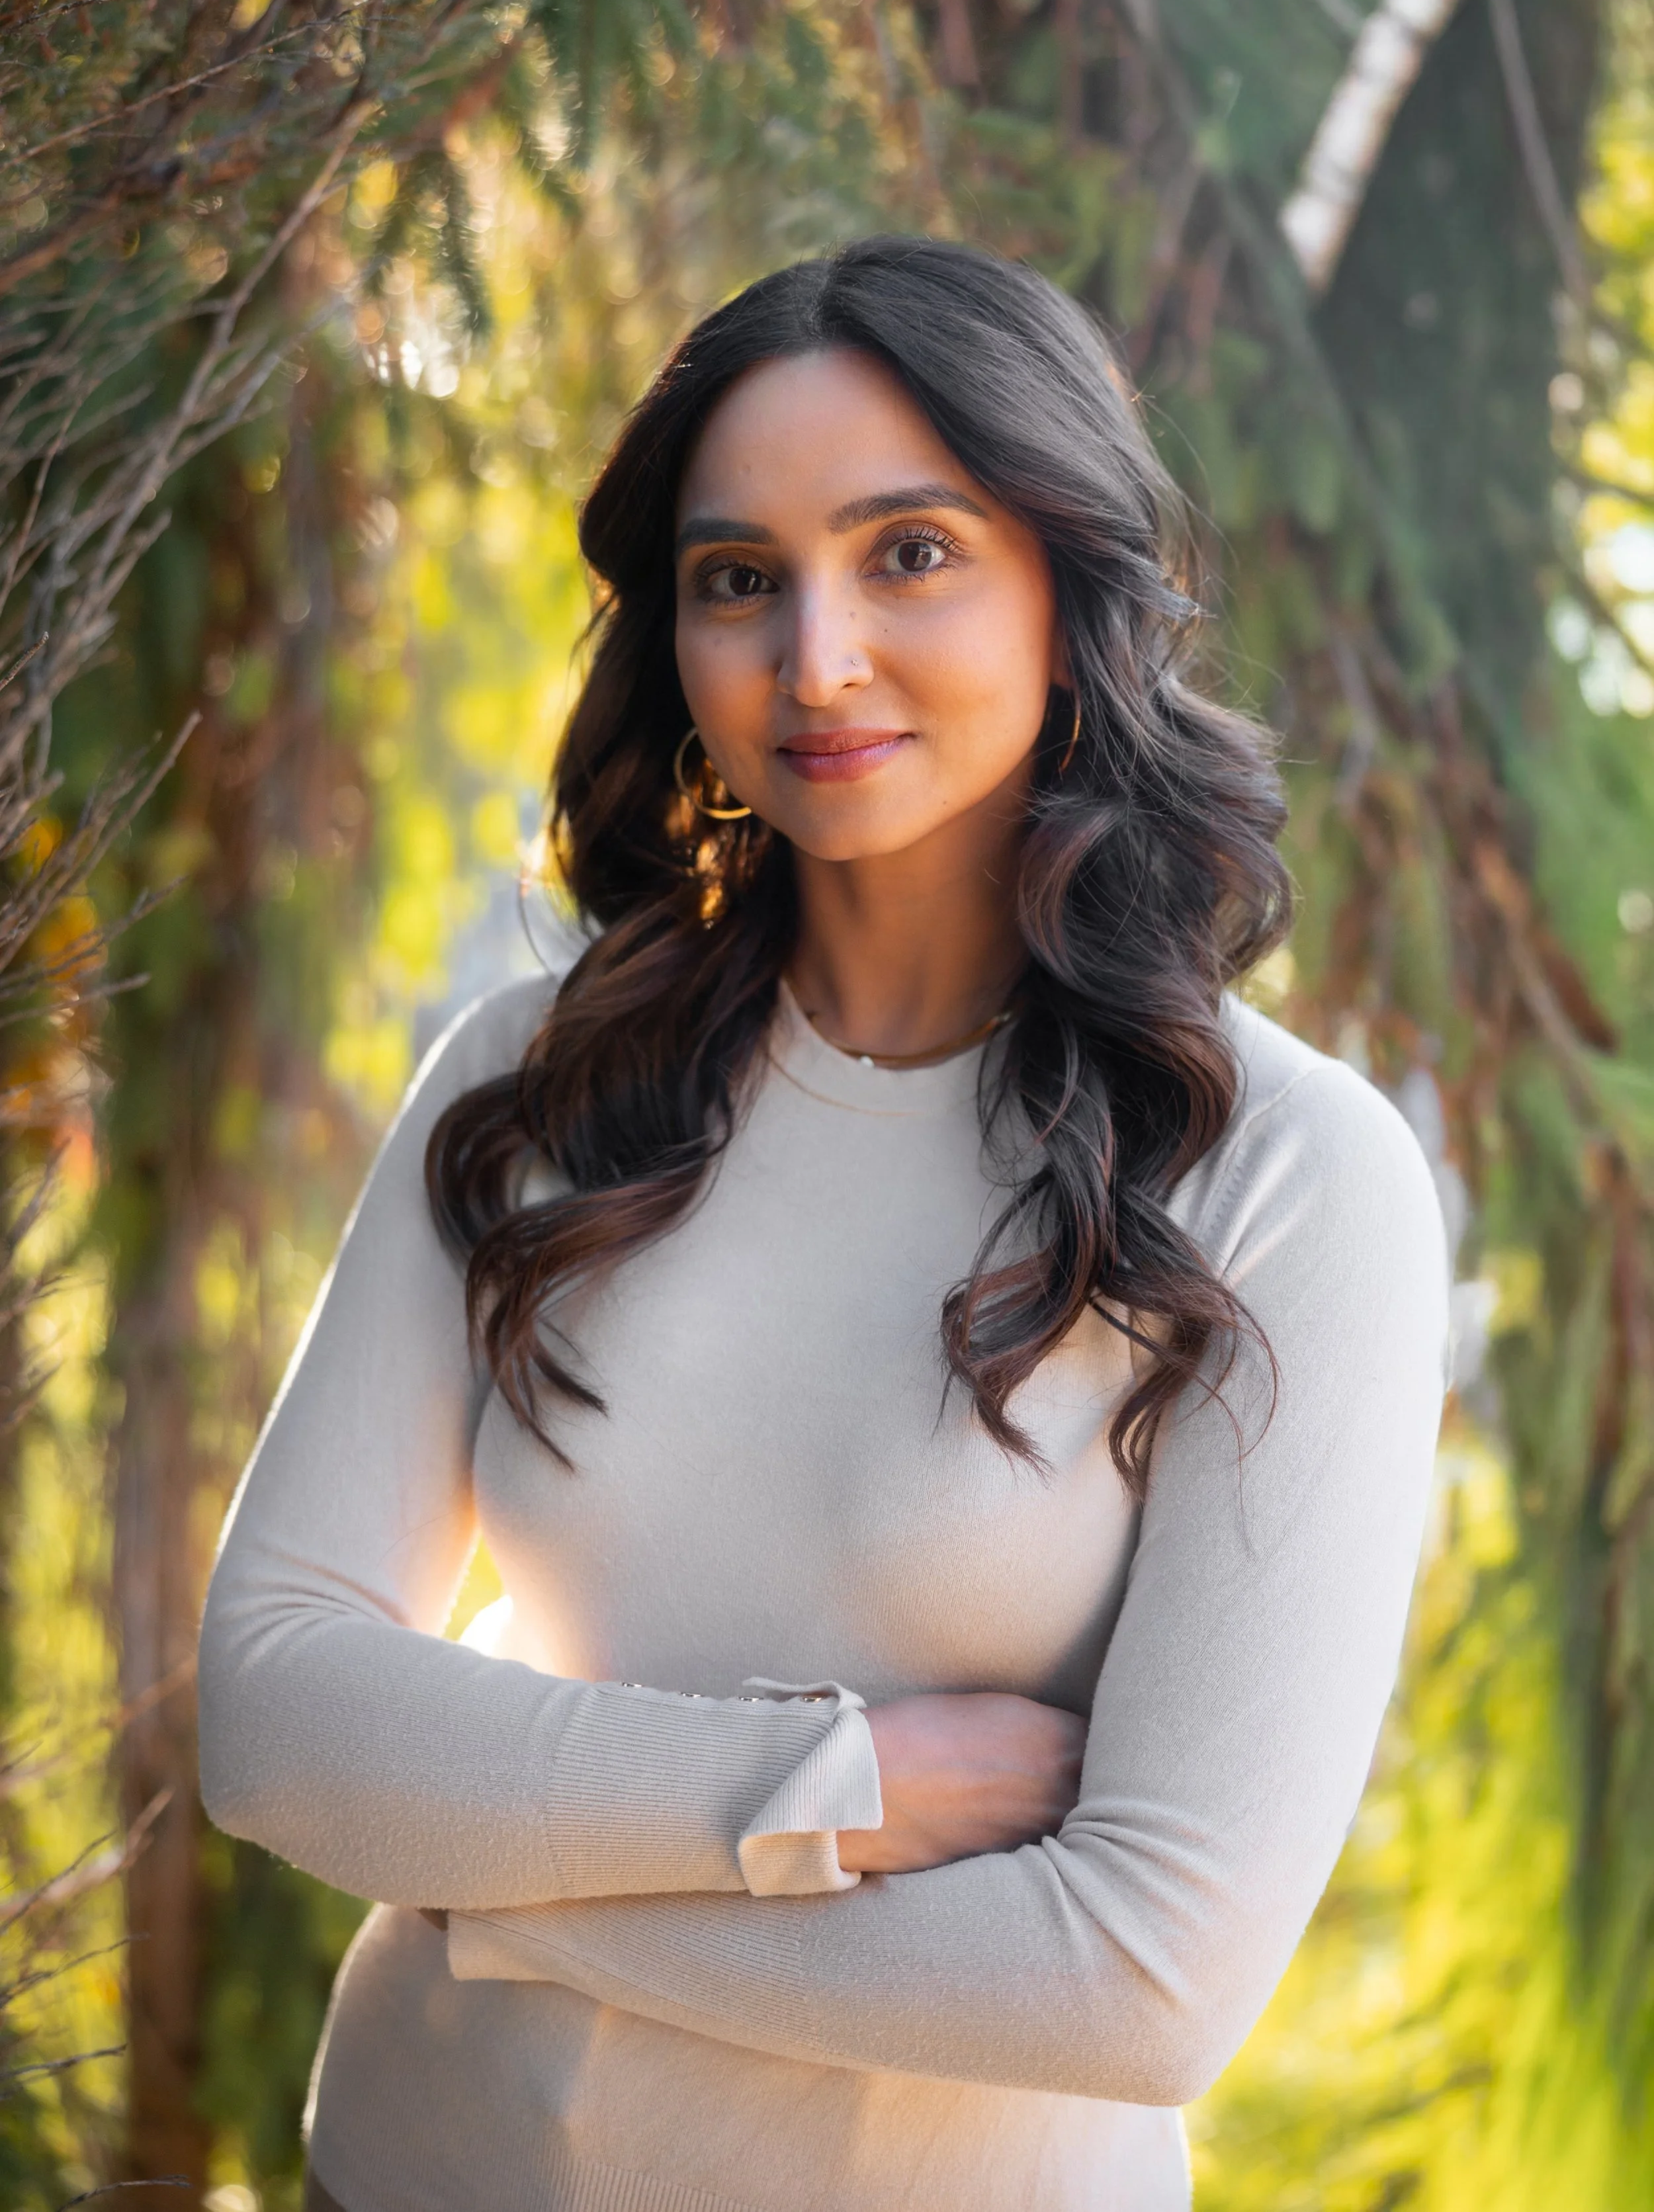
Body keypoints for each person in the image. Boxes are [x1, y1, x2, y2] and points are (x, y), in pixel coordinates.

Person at [198, 235, 1450, 2212]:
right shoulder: (531, 1077)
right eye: (735, 579)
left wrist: (496, 1885)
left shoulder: (1278, 1171)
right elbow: (273, 1711)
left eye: (911, 552)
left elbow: (1135, 1982)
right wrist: (818, 1789)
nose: (817, 659)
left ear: (1071, 580)